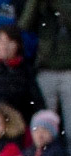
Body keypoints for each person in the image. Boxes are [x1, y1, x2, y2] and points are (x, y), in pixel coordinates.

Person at [0, 25, 44, 122]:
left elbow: (35, 98)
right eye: (1, 41)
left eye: (10, 41)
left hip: (21, 120)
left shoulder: (25, 68)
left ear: (18, 44)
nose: (5, 46)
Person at [24, 0, 71, 131]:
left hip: (68, 69)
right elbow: (25, 24)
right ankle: (46, 152)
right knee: (43, 126)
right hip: (44, 68)